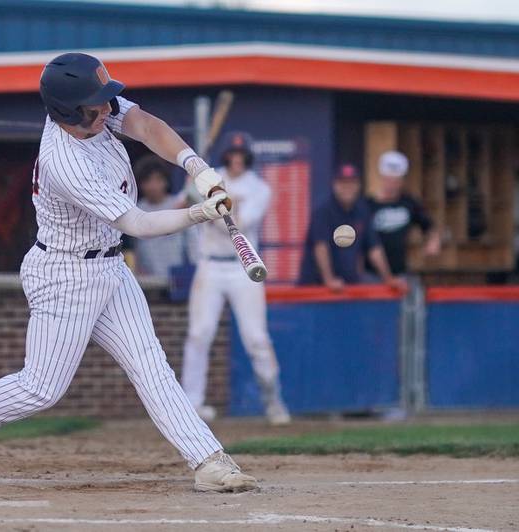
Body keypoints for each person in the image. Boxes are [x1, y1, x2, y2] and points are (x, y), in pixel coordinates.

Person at [0, 52, 258, 494]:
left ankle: (208, 460)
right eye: (96, 104)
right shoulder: (64, 159)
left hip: (109, 266)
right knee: (40, 387)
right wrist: (199, 213)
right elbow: (137, 223)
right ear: (67, 110)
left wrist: (196, 167)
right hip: (65, 275)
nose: (107, 108)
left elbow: (143, 123)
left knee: (150, 366)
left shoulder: (94, 113)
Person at [181, 132, 290, 426]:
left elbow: (237, 223)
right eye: (232, 154)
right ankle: (192, 405)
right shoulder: (209, 178)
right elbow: (189, 211)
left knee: (256, 338)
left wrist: (210, 204)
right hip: (210, 267)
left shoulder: (258, 188)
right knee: (199, 334)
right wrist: (194, 195)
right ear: (227, 155)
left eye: (242, 155)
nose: (237, 159)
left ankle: (272, 399)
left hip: (244, 268)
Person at [298, 163, 406, 291]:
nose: (347, 188)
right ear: (335, 185)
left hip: (347, 284)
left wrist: (388, 278)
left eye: (351, 183)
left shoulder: (361, 211)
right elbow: (321, 247)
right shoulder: (323, 212)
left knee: (373, 285)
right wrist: (329, 280)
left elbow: (374, 248)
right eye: (343, 184)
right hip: (316, 287)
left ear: (358, 186)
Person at [367, 150, 441, 276]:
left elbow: (429, 226)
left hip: (400, 271)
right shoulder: (368, 205)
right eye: (389, 179)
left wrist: (433, 241)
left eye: (396, 180)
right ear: (382, 178)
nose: (392, 184)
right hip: (370, 273)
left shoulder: (409, 203)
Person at [131, 154, 188, 276]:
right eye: (148, 181)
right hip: (148, 279)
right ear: (140, 185)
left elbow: (193, 242)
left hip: (178, 277)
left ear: (166, 182)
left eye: (158, 180)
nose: (153, 186)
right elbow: (134, 247)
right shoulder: (135, 209)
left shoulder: (179, 205)